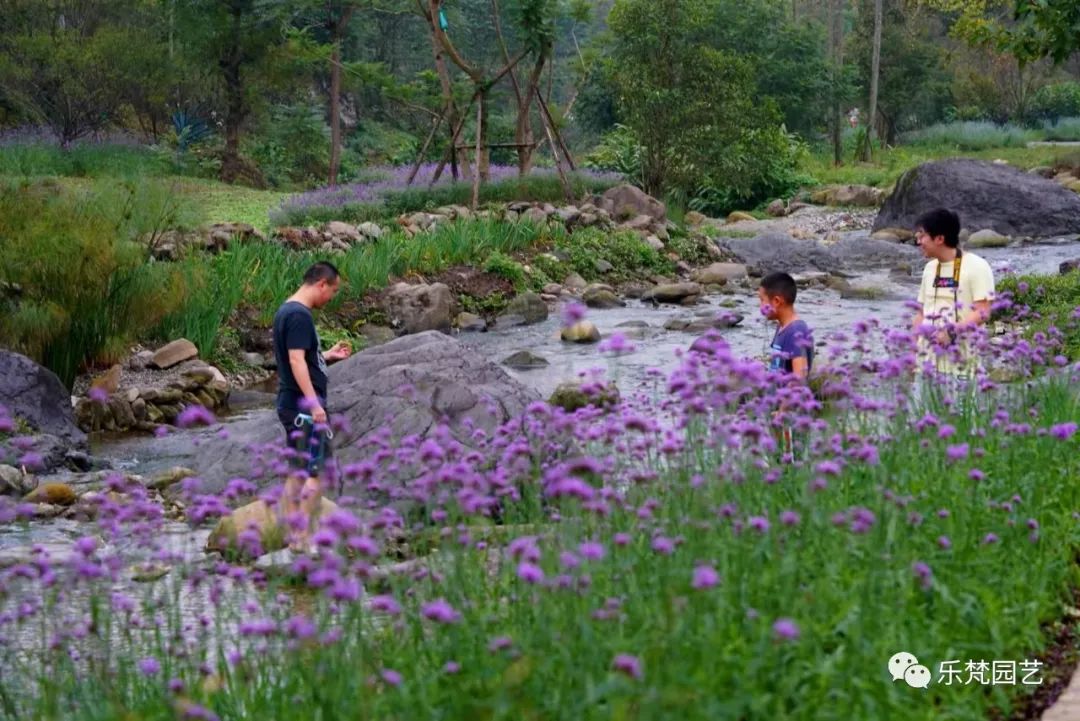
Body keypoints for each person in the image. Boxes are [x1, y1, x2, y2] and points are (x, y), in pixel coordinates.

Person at [272, 261, 352, 550]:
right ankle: (301, 537)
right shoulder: (299, 316)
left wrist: (326, 355)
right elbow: (294, 361)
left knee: (297, 471)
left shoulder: (286, 310)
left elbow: (300, 357)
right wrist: (314, 403)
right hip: (302, 407)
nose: (332, 297)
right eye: (333, 290)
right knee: (318, 472)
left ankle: (292, 535)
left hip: (290, 405)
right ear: (321, 284)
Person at [910, 208, 995, 378]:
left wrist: (951, 332)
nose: (918, 242)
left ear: (940, 238)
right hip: (926, 366)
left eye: (922, 236)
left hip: (962, 367)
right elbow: (921, 313)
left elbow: (983, 311)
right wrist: (912, 351)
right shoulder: (929, 268)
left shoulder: (977, 266)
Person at [758, 272, 814, 461]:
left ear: (776, 301)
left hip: (790, 416)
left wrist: (783, 410)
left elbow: (799, 376)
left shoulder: (796, 330)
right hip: (777, 412)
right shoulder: (781, 328)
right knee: (776, 464)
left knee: (789, 467)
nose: (760, 306)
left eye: (761, 300)